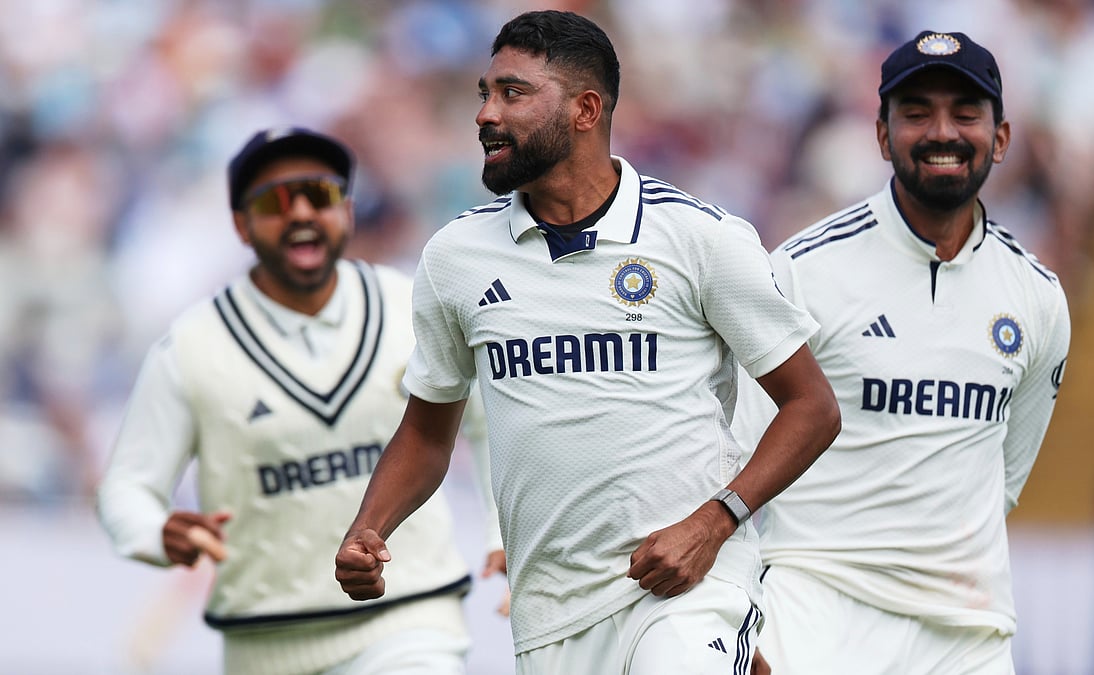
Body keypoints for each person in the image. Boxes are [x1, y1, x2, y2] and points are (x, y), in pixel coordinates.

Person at [333, 10, 840, 675]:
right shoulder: (454, 258)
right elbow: (429, 434)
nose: (486, 113)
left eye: (512, 93)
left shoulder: (699, 238)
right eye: (484, 93)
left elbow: (812, 406)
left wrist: (713, 524)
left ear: (585, 109)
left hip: (684, 584)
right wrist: (368, 529)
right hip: (549, 613)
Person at [96, 126, 503, 675]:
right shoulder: (191, 347)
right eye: (274, 201)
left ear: (349, 211)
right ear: (241, 225)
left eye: (321, 194)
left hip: (410, 623)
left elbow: (494, 422)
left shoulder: (410, 305)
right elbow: (127, 486)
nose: (301, 213)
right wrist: (155, 531)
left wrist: (503, 531)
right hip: (263, 642)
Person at [731, 31, 1072, 673]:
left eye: (966, 113)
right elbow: (737, 451)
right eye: (916, 113)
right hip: (815, 613)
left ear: (1001, 138)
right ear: (883, 136)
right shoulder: (803, 270)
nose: (942, 131)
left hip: (967, 633)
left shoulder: (1038, 298)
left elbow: (1003, 476)